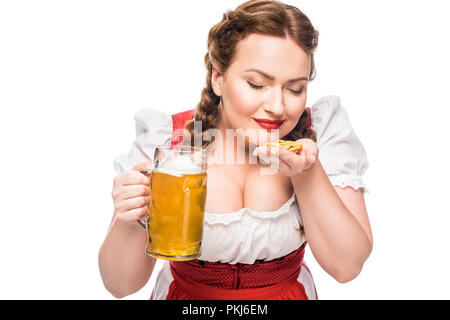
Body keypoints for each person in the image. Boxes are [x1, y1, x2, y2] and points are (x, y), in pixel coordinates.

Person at [98, 0, 372, 300]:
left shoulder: (321, 132)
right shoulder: (168, 144)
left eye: (295, 88)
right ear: (218, 78)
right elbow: (120, 286)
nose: (278, 107)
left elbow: (347, 268)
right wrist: (130, 218)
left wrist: (308, 174)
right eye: (256, 84)